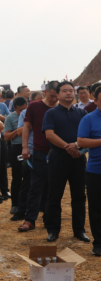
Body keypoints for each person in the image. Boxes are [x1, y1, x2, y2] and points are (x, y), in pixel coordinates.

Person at [42, 81, 88, 243]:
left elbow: (87, 135)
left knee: (79, 195)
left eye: (70, 90)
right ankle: (53, 230)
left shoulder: (81, 113)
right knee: (54, 195)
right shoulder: (51, 113)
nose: (68, 93)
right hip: (58, 157)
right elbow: (49, 134)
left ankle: (79, 230)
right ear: (58, 94)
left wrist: (77, 148)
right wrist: (68, 147)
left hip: (78, 157)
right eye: (65, 91)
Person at [18, 81, 59, 233]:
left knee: (53, 188)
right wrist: (24, 148)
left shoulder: (61, 108)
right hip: (39, 152)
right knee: (35, 187)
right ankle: (30, 219)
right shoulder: (34, 106)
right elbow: (26, 128)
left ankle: (49, 218)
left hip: (58, 152)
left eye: (57, 96)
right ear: (46, 92)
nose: (55, 99)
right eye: (52, 95)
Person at [77, 86, 101, 256]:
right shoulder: (89, 119)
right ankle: (99, 242)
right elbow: (81, 141)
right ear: (96, 101)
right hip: (96, 171)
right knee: (96, 207)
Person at [3, 97, 28, 214]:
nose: (22, 111)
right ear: (14, 108)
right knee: (17, 176)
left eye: (25, 108)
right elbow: (6, 137)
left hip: (29, 147)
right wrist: (18, 131)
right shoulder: (10, 117)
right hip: (17, 148)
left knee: (30, 177)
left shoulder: (30, 115)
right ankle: (15, 204)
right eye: (20, 110)